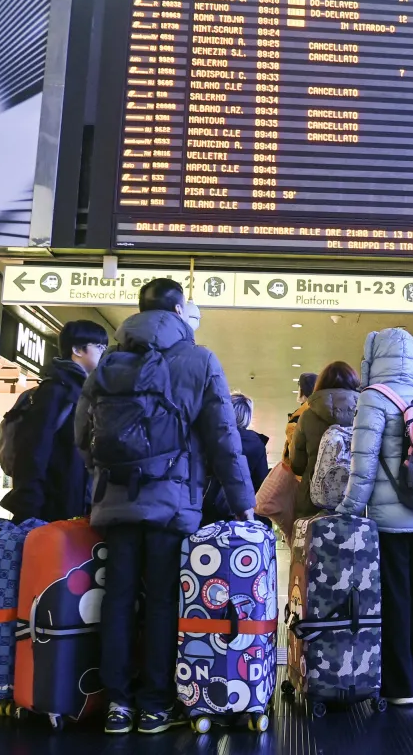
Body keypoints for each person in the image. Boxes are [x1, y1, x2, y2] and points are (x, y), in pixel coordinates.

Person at [76, 278, 255, 736]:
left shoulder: (109, 362)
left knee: (118, 600)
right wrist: (242, 503)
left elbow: (82, 436)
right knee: (162, 601)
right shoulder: (199, 360)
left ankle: (117, 703)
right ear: (179, 312)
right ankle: (155, 705)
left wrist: (103, 481)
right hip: (172, 506)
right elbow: (223, 438)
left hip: (116, 503)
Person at [336, 328, 413, 706]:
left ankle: (399, 688)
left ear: (374, 357)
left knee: (396, 598)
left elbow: (362, 466)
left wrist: (348, 510)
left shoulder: (373, 398)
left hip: (391, 522)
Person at [3, 320, 108, 523]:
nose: (103, 352)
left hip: (73, 502)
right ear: (77, 349)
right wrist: (28, 507)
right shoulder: (56, 391)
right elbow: (34, 447)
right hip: (51, 505)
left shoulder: (85, 392)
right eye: (99, 346)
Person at [290, 361, 359, 517]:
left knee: (313, 533)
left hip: (313, 502)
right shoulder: (366, 414)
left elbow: (297, 465)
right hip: (356, 499)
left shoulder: (307, 416)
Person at [232, 392, 271, 507]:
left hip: (207, 505)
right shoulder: (256, 443)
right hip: (242, 507)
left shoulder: (212, 438)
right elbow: (261, 482)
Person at [283, 371, 318, 465]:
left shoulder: (298, 418)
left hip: (301, 471)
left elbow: (294, 454)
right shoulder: (323, 413)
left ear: (302, 390)